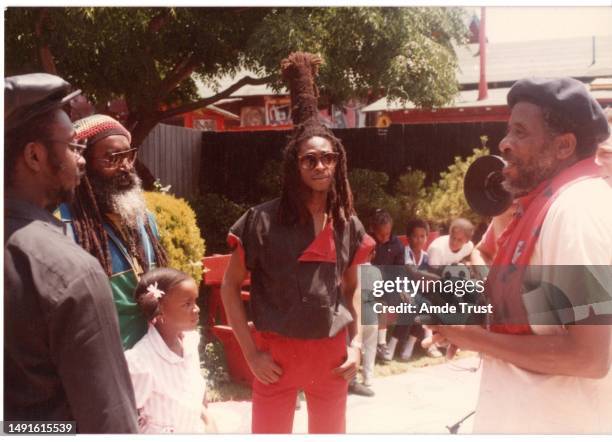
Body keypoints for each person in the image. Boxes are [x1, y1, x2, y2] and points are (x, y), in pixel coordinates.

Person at [424, 77, 612, 433]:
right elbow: (547, 326)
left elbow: (588, 356)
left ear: (563, 146)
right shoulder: (546, 208)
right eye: (508, 130)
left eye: (521, 132)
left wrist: (473, 338)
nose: (504, 144)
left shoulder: (577, 209)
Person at [221, 52, 375, 434]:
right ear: (296, 165)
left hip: (332, 355)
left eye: (327, 158)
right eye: (310, 160)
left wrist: (355, 345)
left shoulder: (347, 223)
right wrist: (251, 353)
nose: (320, 166)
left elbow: (354, 288)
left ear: (338, 162)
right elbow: (228, 286)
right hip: (277, 357)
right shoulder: (261, 220)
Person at [4, 73, 138, 432]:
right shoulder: (68, 269)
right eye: (72, 148)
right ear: (35, 155)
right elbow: (109, 423)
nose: (79, 161)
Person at [58, 114, 168, 349]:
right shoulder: (64, 225)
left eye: (129, 155)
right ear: (82, 163)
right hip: (99, 361)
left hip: (151, 358)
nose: (126, 166)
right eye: (112, 158)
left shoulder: (144, 219)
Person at [125, 268, 214, 433]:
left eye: (195, 301)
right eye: (187, 304)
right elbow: (123, 418)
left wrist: (209, 421)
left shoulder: (190, 342)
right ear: (161, 309)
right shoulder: (140, 362)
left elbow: (195, 395)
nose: (197, 309)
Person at [384, 219, 433, 361]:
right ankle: (393, 344)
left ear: (426, 238)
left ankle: (410, 343)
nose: (419, 240)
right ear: (408, 238)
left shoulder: (426, 257)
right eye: (415, 236)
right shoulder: (404, 253)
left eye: (422, 236)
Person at [367, 210, 405, 365]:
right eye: (380, 234)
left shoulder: (397, 244)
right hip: (367, 282)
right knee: (377, 301)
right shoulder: (367, 241)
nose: (384, 238)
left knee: (404, 302)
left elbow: (399, 270)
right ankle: (375, 344)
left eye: (387, 234)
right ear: (373, 229)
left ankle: (383, 344)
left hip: (388, 284)